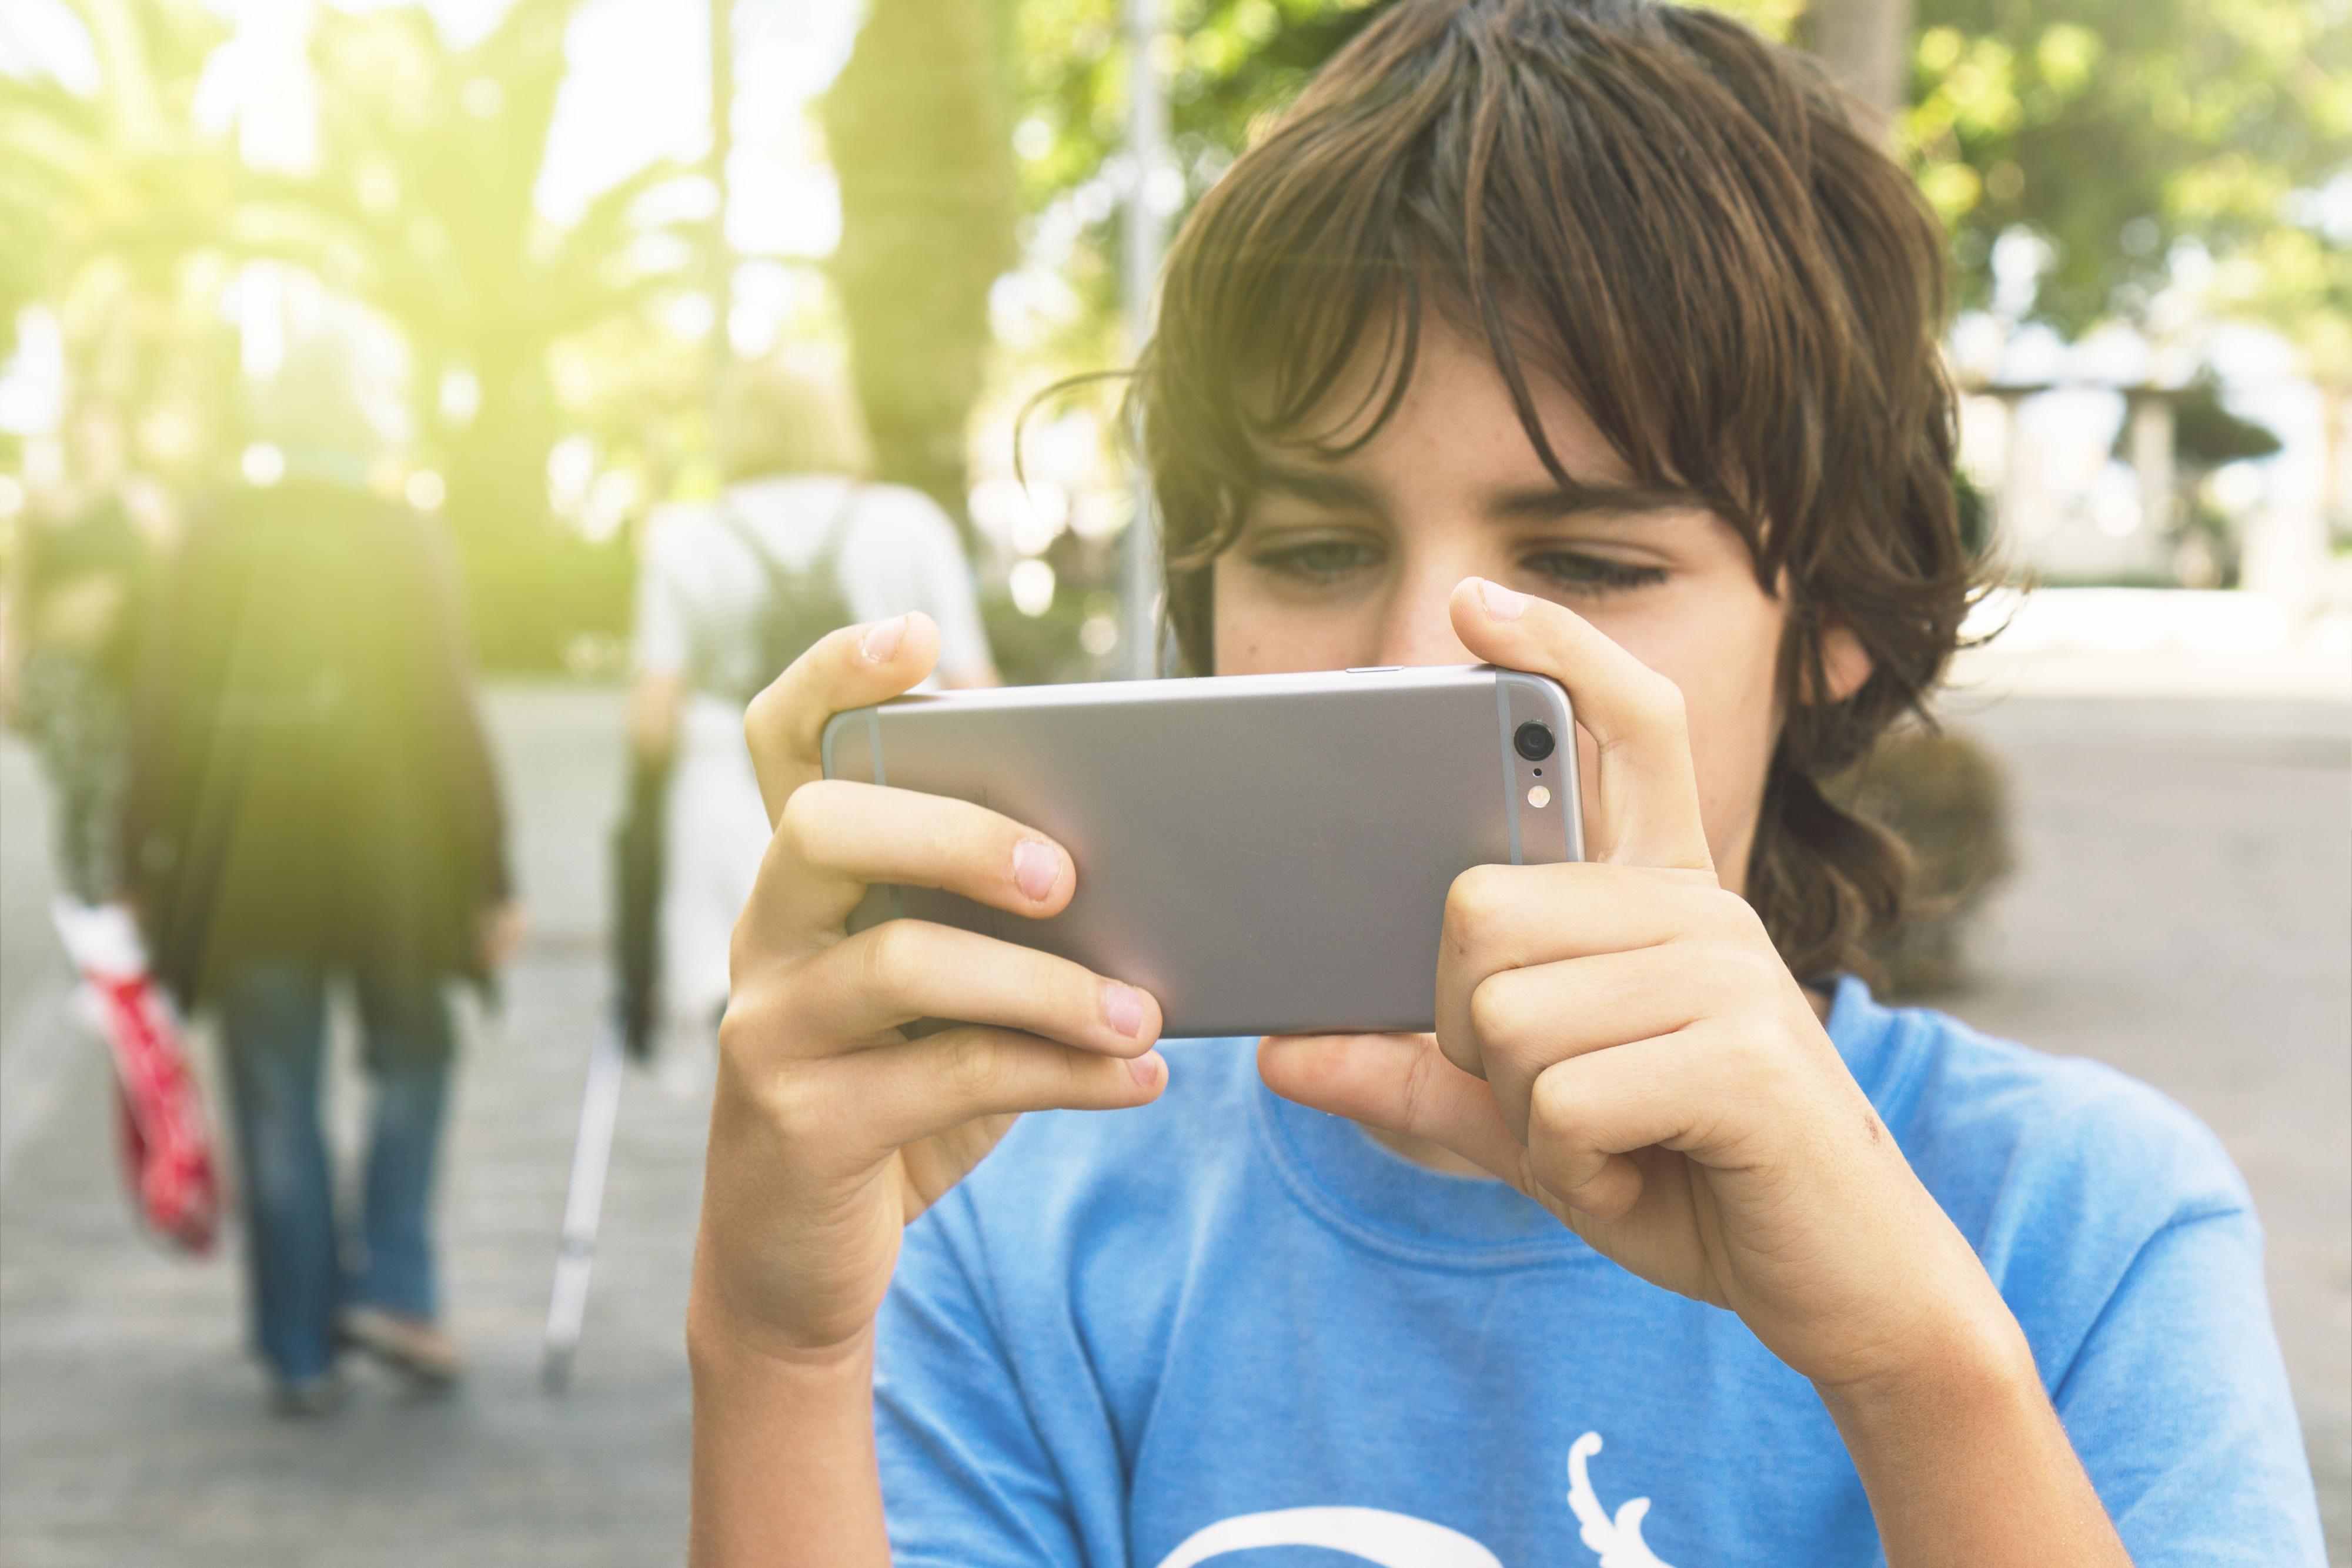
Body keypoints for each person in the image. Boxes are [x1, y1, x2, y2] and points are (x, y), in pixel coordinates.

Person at [687, 2, 2326, 1563]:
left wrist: (1913, 1361)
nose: (1422, 658)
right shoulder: (1009, 1222)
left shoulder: (2079, 1225)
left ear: (1830, 616)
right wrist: (777, 1348)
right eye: (1317, 545)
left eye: (1593, 562)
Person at [123, 339, 520, 1414]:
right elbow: (447, 707)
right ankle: (392, 1281)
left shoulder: (210, 535)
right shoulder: (401, 537)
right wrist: (491, 871)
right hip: (394, 862)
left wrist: (136, 862)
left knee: (275, 1095)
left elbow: (158, 705)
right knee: (416, 1058)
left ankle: (298, 1347)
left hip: (251, 861)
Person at [625, 353, 996, 1068]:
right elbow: (976, 693)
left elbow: (650, 721)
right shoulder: (909, 523)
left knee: (739, 1014)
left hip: (722, 809)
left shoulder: (683, 537)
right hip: (891, 802)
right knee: (888, 1002)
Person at [1, 402, 170, 908]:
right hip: (58, 673)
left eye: (100, 436)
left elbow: (175, 593)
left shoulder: (146, 505)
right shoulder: (46, 505)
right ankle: (84, 916)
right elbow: (20, 590)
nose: (90, 445)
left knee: (110, 794)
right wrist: (9, 669)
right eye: (82, 436)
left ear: (119, 440)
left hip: (119, 673)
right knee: (75, 797)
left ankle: (112, 913)